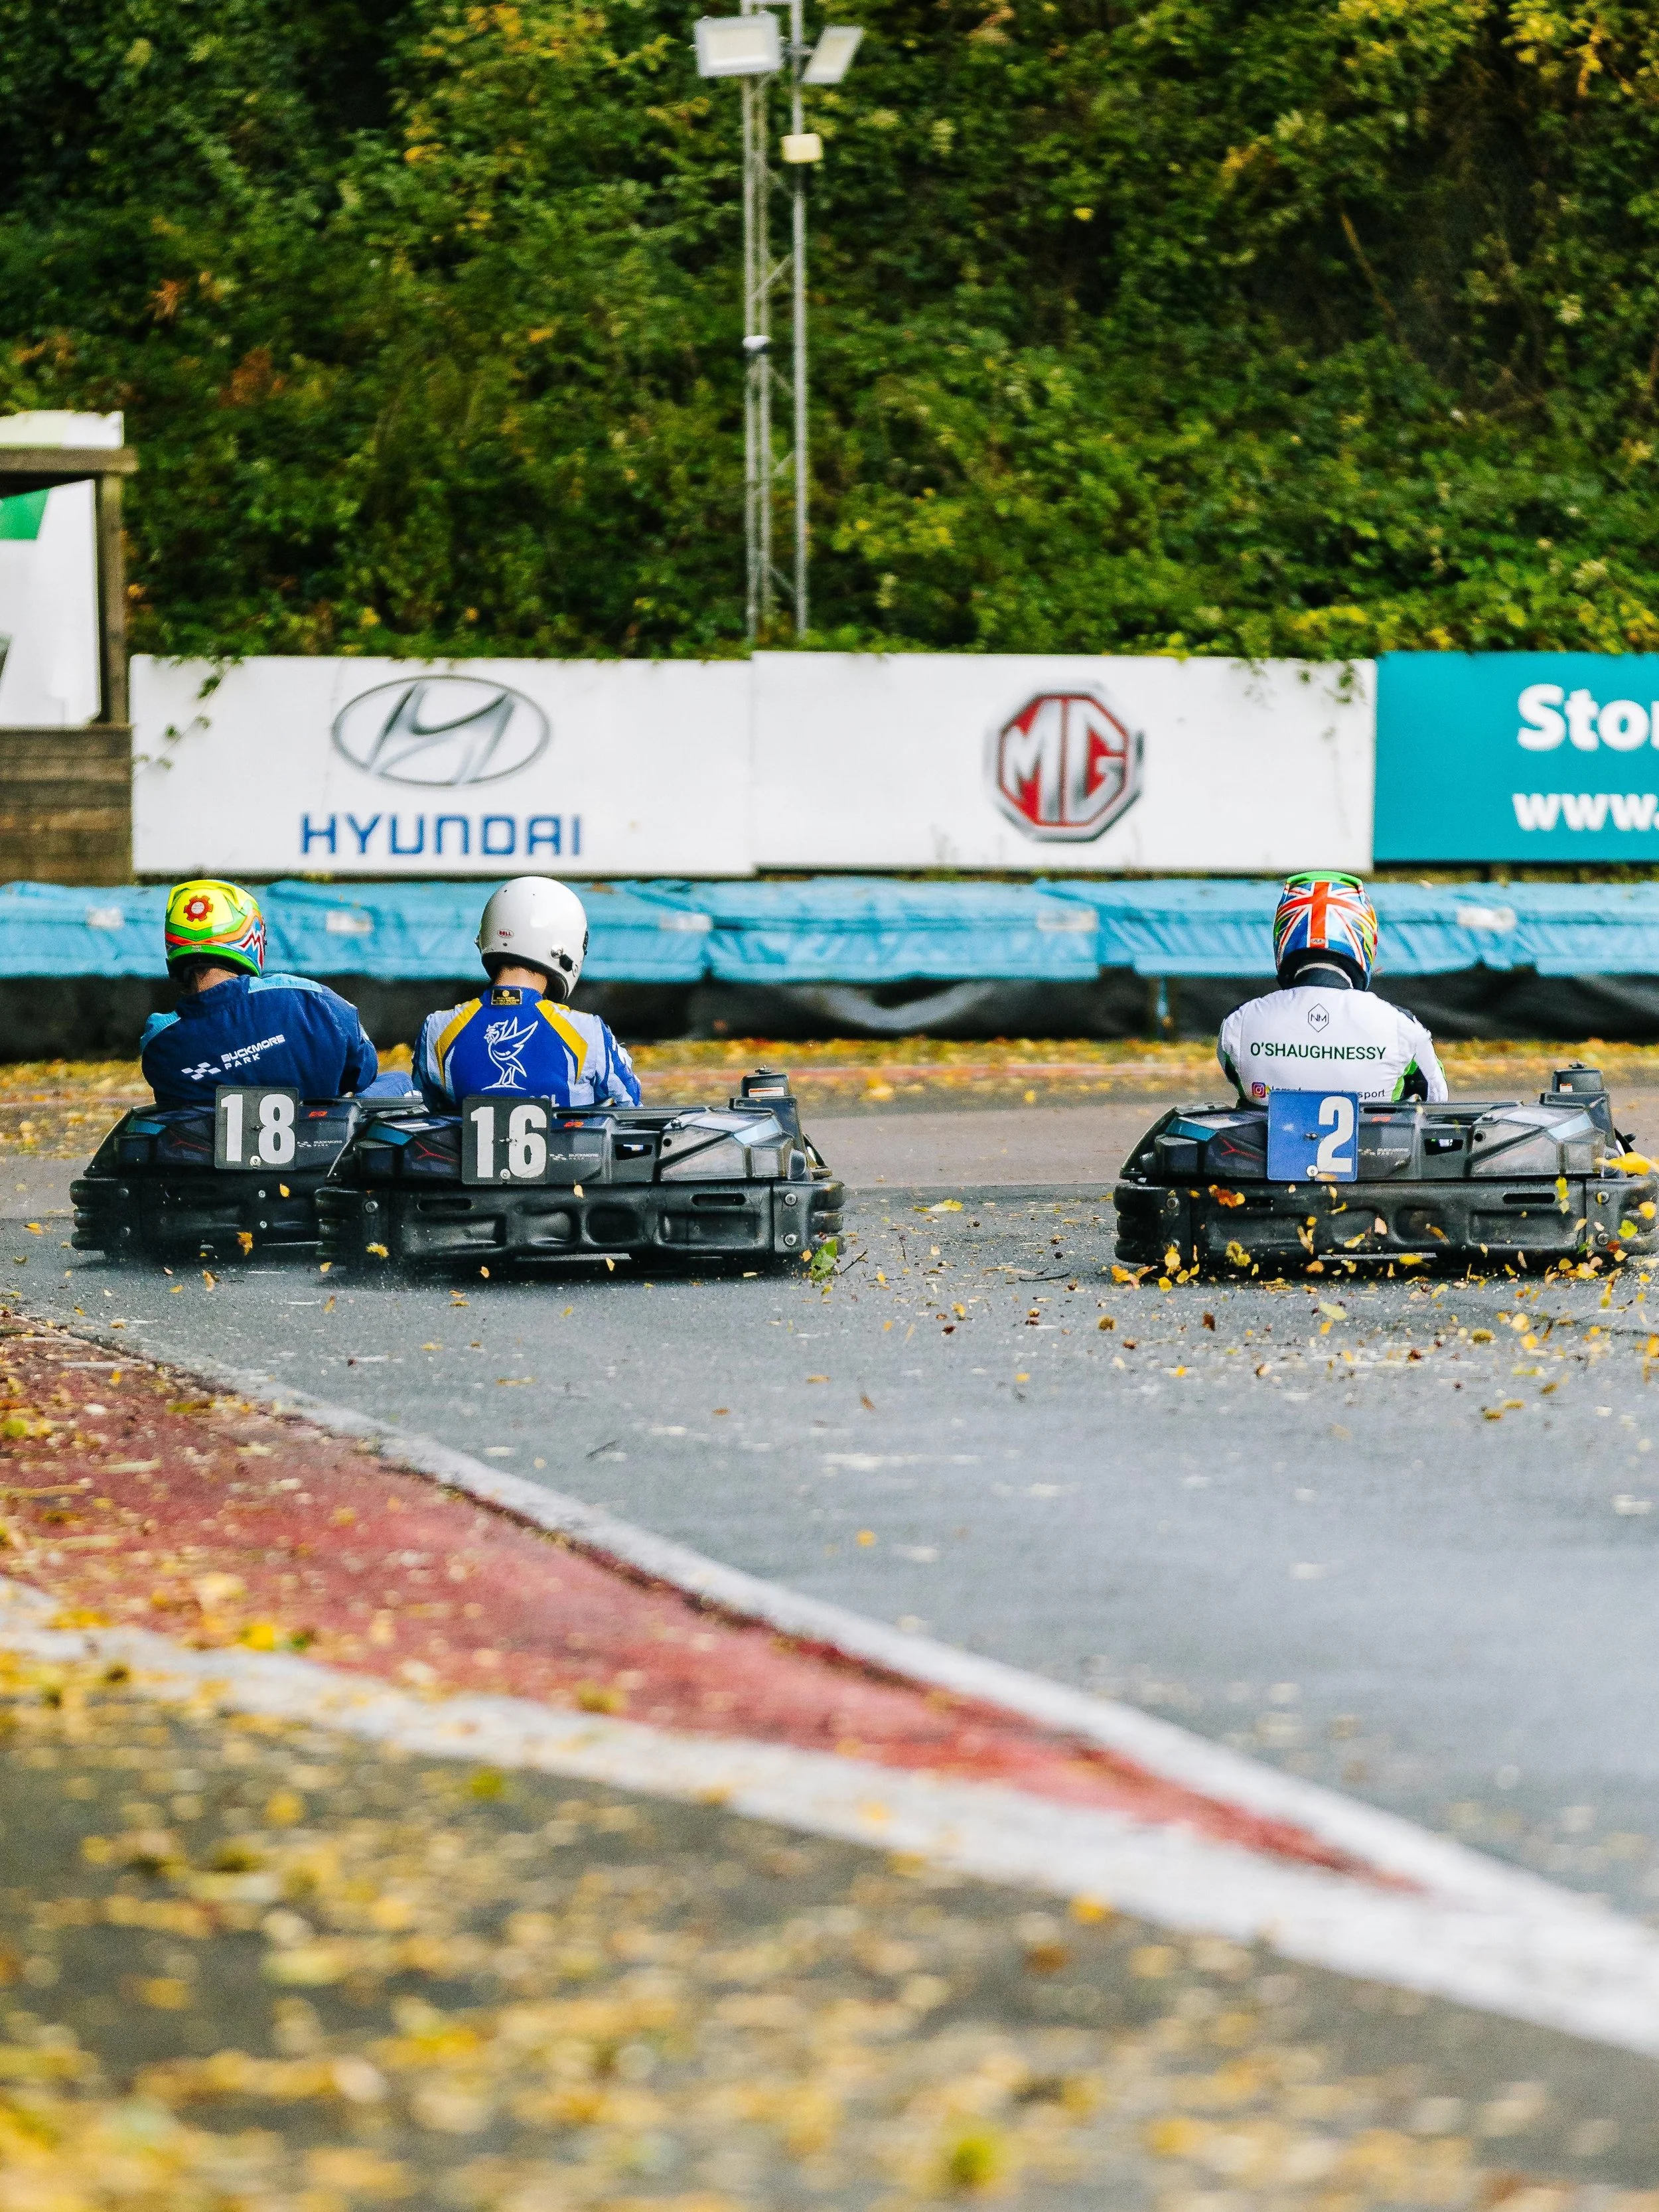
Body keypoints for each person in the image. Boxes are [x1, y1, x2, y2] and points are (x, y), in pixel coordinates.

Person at [141, 879, 383, 1110]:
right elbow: (365, 1071)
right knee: (396, 1084)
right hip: (326, 1148)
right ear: (251, 936)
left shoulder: (160, 1044)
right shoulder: (311, 1000)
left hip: (203, 1151)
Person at [1218, 871, 1447, 1105]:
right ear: (1365, 940)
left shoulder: (1239, 1022)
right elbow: (1437, 1099)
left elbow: (1236, 1075)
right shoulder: (1402, 1027)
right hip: (1374, 1141)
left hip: (1260, 1142)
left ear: (1282, 938)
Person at [414, 876, 642, 1108]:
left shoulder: (437, 1029)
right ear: (562, 947)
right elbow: (631, 1103)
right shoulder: (588, 1032)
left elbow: (422, 1113)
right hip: (567, 1145)